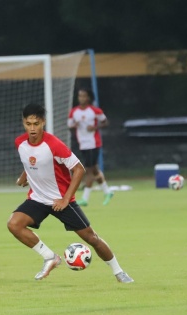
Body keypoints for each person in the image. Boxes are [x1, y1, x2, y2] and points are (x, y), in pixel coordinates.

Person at [8, 103, 134, 283]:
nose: (33, 128)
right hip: (37, 199)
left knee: (92, 238)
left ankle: (119, 272)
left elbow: (79, 169)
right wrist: (24, 177)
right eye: (29, 124)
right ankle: (50, 257)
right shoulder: (20, 142)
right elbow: (30, 161)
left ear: (43, 122)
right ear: (23, 123)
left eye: (36, 124)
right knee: (14, 224)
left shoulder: (54, 145)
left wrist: (66, 199)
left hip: (61, 199)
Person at [67, 88, 113, 206]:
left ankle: (85, 199)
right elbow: (69, 125)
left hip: (94, 143)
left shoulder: (95, 110)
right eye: (79, 96)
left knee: (89, 171)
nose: (81, 98)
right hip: (82, 144)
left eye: (83, 96)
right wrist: (74, 125)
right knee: (95, 170)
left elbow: (105, 122)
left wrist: (95, 127)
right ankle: (107, 192)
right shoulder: (74, 112)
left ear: (88, 98)